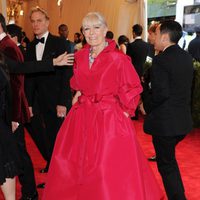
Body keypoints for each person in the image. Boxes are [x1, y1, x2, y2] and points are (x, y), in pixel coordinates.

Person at [42, 12, 164, 200]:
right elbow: (79, 82)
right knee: (74, 164)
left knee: (105, 168)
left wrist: (126, 111)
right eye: (86, 29)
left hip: (108, 119)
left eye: (96, 27)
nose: (91, 33)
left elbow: (131, 86)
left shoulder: (118, 58)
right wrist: (79, 94)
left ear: (105, 30)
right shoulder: (80, 56)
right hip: (81, 117)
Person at [144, 20, 194, 200]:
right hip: (182, 121)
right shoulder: (186, 57)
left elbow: (160, 94)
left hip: (165, 124)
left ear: (164, 37)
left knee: (166, 165)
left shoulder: (161, 60)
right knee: (169, 161)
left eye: (155, 34)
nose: (153, 38)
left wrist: (145, 105)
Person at [25, 6, 70, 188]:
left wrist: (63, 102)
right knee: (46, 138)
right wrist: (27, 103)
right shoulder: (29, 46)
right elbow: (29, 77)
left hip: (56, 100)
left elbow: (67, 74)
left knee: (59, 138)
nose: (36, 24)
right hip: (38, 101)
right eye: (33, 21)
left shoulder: (60, 43)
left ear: (47, 22)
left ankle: (63, 177)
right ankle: (53, 169)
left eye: (39, 20)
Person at [0, 13, 38, 200]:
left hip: (10, 113)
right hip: (8, 111)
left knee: (18, 155)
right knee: (15, 154)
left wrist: (14, 116)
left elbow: (15, 84)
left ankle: (30, 193)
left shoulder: (7, 46)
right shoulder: (5, 44)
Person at [127, 24, 150, 120]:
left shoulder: (131, 45)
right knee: (144, 91)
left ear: (133, 33)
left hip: (133, 72)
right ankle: (146, 111)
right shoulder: (147, 45)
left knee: (134, 93)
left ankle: (135, 114)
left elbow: (128, 60)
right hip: (144, 71)